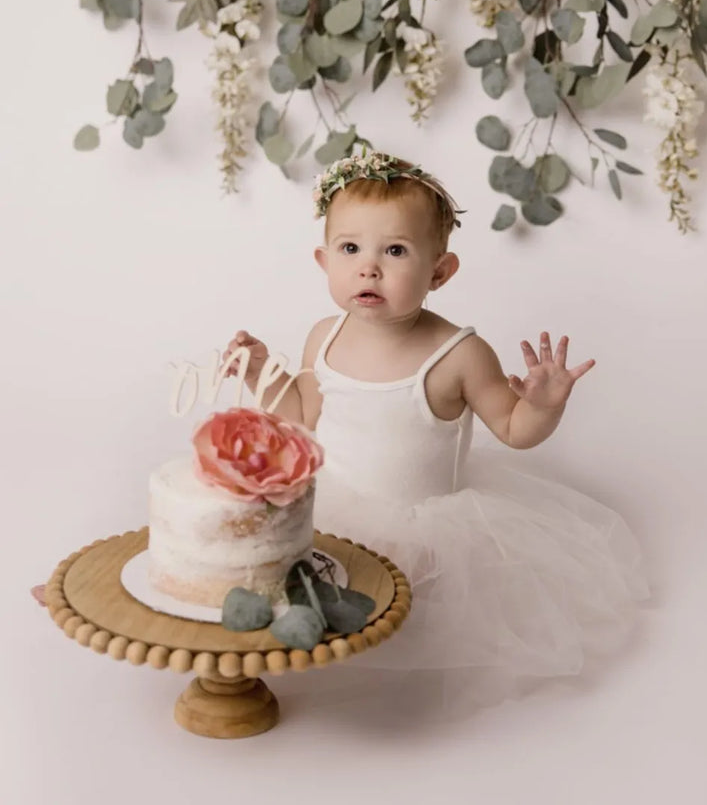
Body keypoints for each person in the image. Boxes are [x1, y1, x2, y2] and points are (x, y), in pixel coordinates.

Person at [223, 150, 650, 708]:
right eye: (350, 249)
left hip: (425, 527)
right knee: (302, 579)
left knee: (413, 614)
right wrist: (263, 374)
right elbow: (304, 420)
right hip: (332, 508)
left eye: (395, 251)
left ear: (439, 271)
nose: (369, 267)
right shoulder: (324, 335)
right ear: (324, 261)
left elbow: (514, 429)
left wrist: (543, 406)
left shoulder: (460, 353)